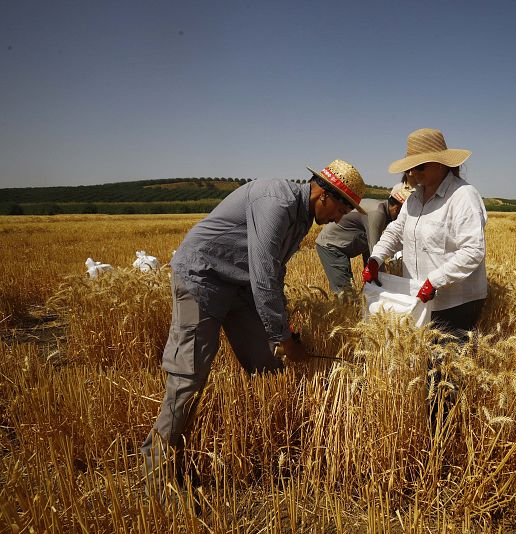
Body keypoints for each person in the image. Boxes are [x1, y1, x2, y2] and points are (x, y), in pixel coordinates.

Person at [141, 159, 367, 499]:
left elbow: (273, 275)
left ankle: (267, 453)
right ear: (323, 193)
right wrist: (282, 338)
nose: (339, 218)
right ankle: (158, 478)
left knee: (266, 365)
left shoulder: (304, 216)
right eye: (341, 208)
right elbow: (263, 274)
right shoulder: (275, 202)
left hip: (239, 286)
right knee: (189, 376)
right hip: (203, 275)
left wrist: (284, 331)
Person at [362, 128, 487, 432]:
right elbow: (395, 232)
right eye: (411, 167)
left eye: (421, 166)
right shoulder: (414, 199)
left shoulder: (462, 196)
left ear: (442, 164)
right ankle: (429, 432)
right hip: (420, 298)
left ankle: (441, 442)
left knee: (442, 376)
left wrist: (436, 280)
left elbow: (473, 250)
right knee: (425, 368)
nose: (413, 172)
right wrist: (377, 258)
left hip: (455, 300)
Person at [315, 181, 414, 296]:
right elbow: (376, 251)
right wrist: (385, 289)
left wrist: (371, 274)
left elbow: (369, 246)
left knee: (354, 293)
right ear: (398, 208)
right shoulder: (378, 214)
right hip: (331, 245)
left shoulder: (383, 211)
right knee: (345, 294)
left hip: (342, 245)